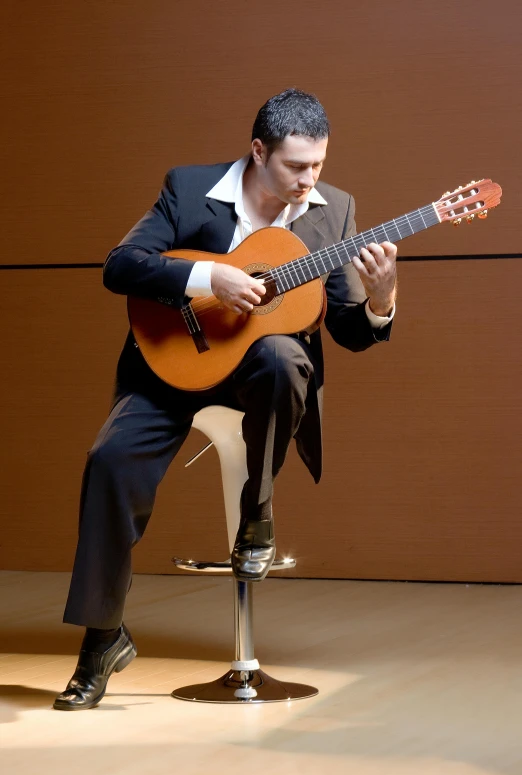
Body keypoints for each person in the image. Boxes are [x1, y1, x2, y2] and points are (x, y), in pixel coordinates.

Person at [53, 88, 397, 711]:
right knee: (109, 463)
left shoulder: (333, 210)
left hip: (264, 379)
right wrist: (209, 277)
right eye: (296, 166)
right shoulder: (190, 189)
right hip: (169, 366)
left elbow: (347, 329)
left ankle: (256, 514)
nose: (308, 180)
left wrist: (379, 300)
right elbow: (120, 266)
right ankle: (102, 639)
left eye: (318, 165)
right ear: (259, 151)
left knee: (281, 354)